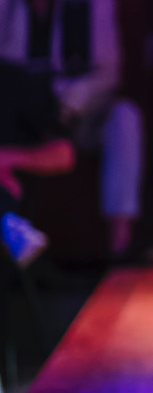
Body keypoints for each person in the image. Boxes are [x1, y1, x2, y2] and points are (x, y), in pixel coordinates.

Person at [0, 0, 144, 258]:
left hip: (77, 109)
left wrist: (65, 105)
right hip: (21, 112)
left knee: (125, 118)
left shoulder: (95, 1)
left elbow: (108, 72)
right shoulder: (3, 2)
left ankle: (119, 246)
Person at [0, 59, 76, 267]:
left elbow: (64, 154)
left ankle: (8, 224)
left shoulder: (12, 82)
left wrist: (7, 157)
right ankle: (9, 225)